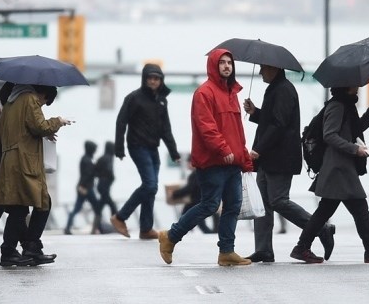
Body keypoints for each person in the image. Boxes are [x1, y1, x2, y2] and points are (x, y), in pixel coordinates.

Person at [158, 49, 253, 267]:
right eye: (222, 63)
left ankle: (227, 252)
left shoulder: (232, 94)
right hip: (213, 162)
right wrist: (223, 149)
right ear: (213, 65)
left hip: (233, 162)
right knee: (210, 205)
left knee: (233, 206)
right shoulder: (204, 93)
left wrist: (244, 158)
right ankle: (170, 237)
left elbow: (238, 131)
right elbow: (206, 127)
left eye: (230, 62)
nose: (227, 66)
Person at [290, 86, 369, 264]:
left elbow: (355, 129)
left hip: (341, 166)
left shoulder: (346, 105)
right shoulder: (337, 106)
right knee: (359, 207)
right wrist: (356, 149)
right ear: (347, 86)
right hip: (338, 167)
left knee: (326, 210)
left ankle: (301, 247)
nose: (359, 87)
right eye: (355, 84)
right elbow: (329, 135)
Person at [243, 63, 335, 263]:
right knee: (263, 205)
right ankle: (263, 249)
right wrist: (255, 112)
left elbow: (278, 125)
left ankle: (320, 228)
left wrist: (258, 149)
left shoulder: (284, 90)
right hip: (269, 158)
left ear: (274, 68)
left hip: (278, 158)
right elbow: (271, 120)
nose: (259, 72)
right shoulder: (275, 88)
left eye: (262, 68)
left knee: (277, 201)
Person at [0, 84, 72, 267]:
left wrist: (40, 134)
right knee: (41, 204)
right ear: (43, 94)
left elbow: (6, 131)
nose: (41, 105)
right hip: (24, 161)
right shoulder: (29, 99)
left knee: (19, 208)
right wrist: (57, 121)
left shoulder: (10, 102)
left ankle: (23, 248)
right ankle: (20, 249)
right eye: (43, 103)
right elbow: (39, 126)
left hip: (11, 160)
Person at [111, 64, 181, 240]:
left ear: (161, 80)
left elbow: (166, 129)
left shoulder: (162, 100)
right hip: (137, 146)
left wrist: (174, 152)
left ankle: (145, 228)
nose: (153, 81)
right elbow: (121, 122)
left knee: (152, 188)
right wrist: (119, 148)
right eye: (150, 78)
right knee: (149, 185)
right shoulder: (134, 98)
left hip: (153, 148)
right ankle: (120, 217)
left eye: (156, 78)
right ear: (144, 79)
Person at [170, 158, 218, 234]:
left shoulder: (195, 174)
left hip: (197, 201)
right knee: (196, 218)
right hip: (200, 199)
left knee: (190, 217)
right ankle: (211, 232)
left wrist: (175, 194)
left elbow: (189, 188)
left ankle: (178, 231)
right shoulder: (202, 173)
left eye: (188, 163)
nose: (187, 165)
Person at [65, 141, 101, 234]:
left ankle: (68, 227)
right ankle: (99, 228)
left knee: (77, 208)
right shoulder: (87, 160)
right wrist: (82, 186)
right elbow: (88, 175)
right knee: (97, 208)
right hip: (87, 188)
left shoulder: (85, 159)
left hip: (83, 187)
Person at [94, 141, 118, 225]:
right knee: (111, 205)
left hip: (102, 185)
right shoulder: (109, 158)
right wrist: (111, 177)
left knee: (101, 205)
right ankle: (116, 223)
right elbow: (109, 171)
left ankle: (97, 225)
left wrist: (101, 175)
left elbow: (95, 171)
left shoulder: (102, 158)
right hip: (104, 185)